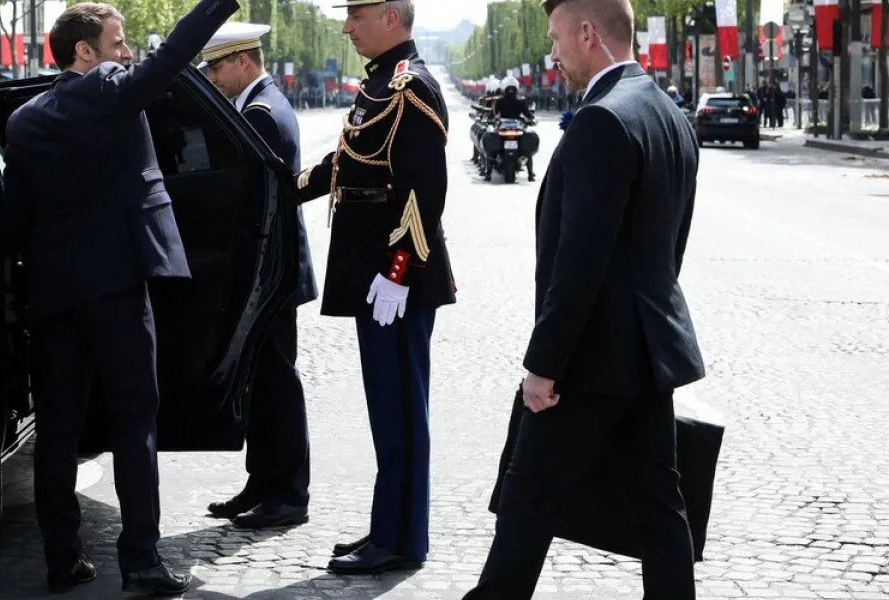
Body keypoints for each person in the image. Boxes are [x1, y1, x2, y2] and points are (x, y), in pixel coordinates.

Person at [461, 0, 703, 597]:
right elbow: (672, 244)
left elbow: (579, 264)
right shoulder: (667, 113)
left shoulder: (602, 120)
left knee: (528, 496)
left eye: (556, 39)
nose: (552, 53)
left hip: (591, 359)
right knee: (659, 507)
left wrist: (544, 366)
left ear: (589, 33)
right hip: (649, 349)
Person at [0, 0, 238, 594]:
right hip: (118, 289)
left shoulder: (24, 121)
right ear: (86, 51)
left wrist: (12, 292)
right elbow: (175, 55)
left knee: (57, 428)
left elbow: (13, 220)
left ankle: (62, 559)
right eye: (119, 41)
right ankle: (142, 563)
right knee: (135, 421)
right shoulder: (108, 91)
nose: (129, 52)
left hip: (54, 296)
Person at [295, 0, 455, 575]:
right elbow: (351, 163)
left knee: (402, 412)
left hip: (396, 281)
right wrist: (287, 185)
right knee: (387, 410)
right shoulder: (382, 83)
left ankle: (403, 540)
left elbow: (423, 192)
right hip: (375, 275)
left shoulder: (411, 87)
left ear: (390, 17)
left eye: (355, 17)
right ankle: (388, 526)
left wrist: (398, 274)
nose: (345, 27)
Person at [199, 22, 317, 529]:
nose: (212, 76)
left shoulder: (261, 114)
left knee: (276, 383)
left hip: (269, 274)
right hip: (272, 270)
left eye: (217, 66)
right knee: (263, 383)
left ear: (244, 62)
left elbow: (251, 201)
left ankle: (288, 493)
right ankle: (263, 482)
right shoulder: (262, 104)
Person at [493, 82, 537, 181]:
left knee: (527, 148)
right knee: (527, 150)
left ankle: (488, 171)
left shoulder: (500, 101)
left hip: (504, 126)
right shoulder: (520, 102)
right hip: (517, 126)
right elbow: (527, 114)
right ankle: (530, 174)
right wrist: (531, 119)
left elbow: (495, 114)